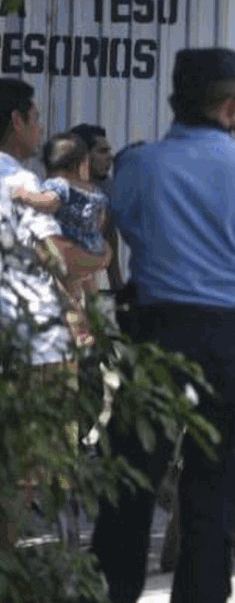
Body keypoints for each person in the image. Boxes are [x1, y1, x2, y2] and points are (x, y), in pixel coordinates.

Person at [89, 49, 235, 603]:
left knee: (128, 493)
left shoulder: (138, 166)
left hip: (155, 336)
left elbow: (126, 229)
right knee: (212, 503)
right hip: (230, 341)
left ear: (174, 99)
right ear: (234, 104)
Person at [0, 80, 112, 550]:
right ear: (17, 120)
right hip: (34, 346)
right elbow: (61, 259)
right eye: (36, 117)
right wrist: (102, 256)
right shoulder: (23, 183)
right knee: (36, 465)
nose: (40, 127)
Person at [12, 132, 111, 299]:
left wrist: (25, 196)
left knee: (66, 281)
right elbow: (101, 219)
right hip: (94, 245)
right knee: (87, 280)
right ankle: (92, 300)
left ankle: (74, 299)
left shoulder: (59, 185)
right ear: (82, 166)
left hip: (70, 243)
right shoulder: (94, 192)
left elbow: (49, 202)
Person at [69, 122, 122, 291]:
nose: (110, 157)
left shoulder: (106, 190)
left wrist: (118, 289)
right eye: (102, 151)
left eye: (108, 151)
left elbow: (110, 235)